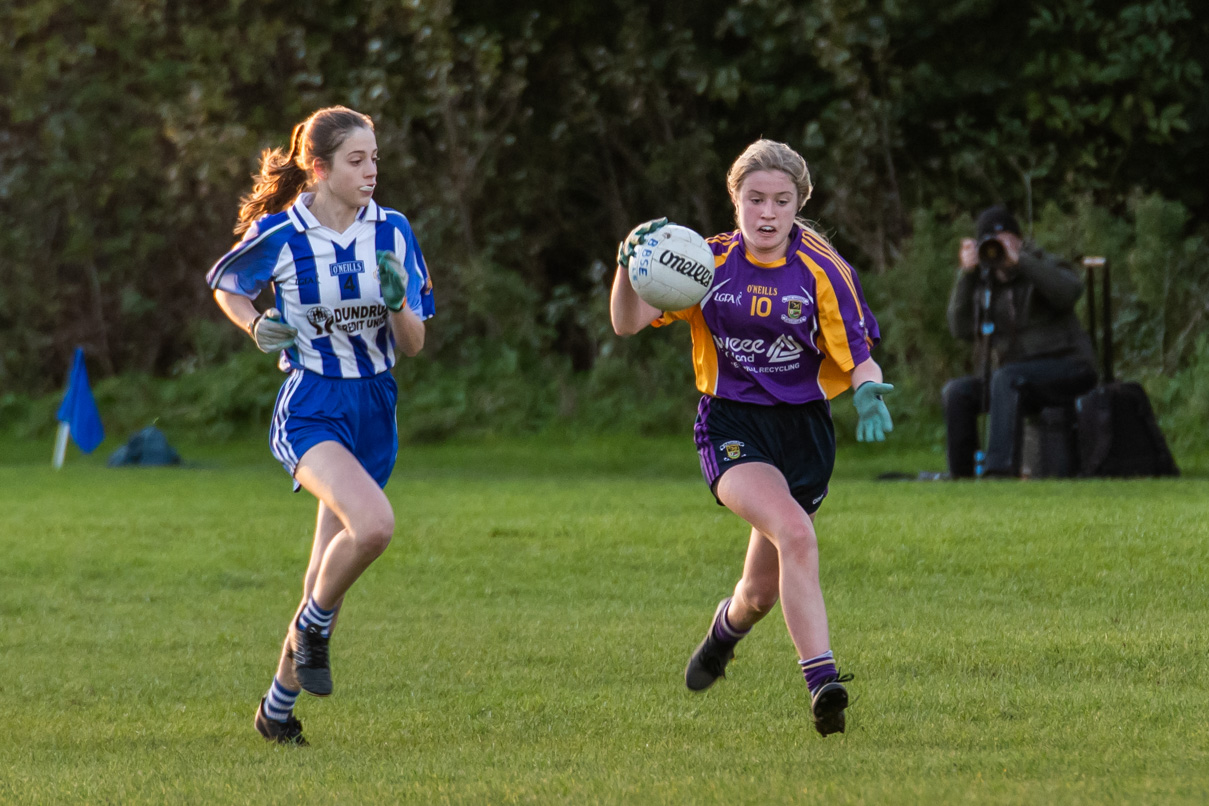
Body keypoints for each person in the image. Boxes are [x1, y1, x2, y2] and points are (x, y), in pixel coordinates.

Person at [610, 139, 893, 737]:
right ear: (735, 200)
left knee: (760, 592)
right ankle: (823, 683)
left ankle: (724, 634)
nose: (767, 213)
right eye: (755, 199)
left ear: (799, 205)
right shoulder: (699, 261)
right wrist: (628, 264)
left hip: (804, 433)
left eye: (781, 201)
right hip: (732, 423)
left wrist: (869, 388)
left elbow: (861, 357)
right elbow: (627, 323)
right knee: (796, 531)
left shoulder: (824, 270)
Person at [205, 105, 434, 745]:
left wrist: (396, 305)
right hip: (312, 405)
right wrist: (255, 323)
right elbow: (226, 283)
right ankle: (315, 629)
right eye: (357, 160)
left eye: (375, 158)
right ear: (319, 167)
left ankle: (276, 712)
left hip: (375, 408)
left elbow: (413, 344)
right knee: (376, 525)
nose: (372, 171)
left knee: (320, 576)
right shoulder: (282, 236)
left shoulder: (394, 232)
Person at [943, 205, 1095, 478]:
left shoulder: (1042, 264)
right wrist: (965, 276)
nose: (997, 249)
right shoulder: (981, 283)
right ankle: (961, 478)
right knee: (958, 391)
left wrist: (1022, 261)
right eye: (990, 243)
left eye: (1005, 241)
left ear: (1019, 240)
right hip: (1014, 379)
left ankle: (999, 470)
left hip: (1068, 366)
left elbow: (1069, 292)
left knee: (1007, 378)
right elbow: (960, 328)